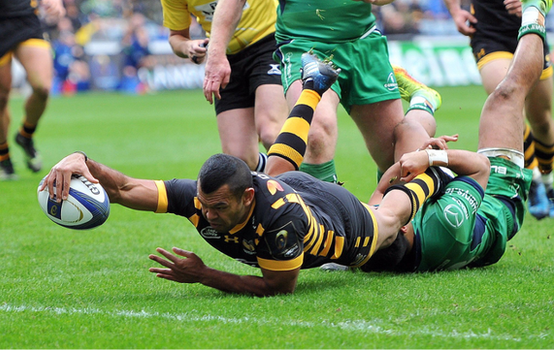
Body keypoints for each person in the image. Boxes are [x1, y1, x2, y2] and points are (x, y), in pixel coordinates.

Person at [41, 53, 448, 296]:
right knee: (277, 169)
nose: (207, 215)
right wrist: (81, 160)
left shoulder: (277, 221)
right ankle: (314, 86)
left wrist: (204, 275)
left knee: (390, 215)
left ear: (248, 197)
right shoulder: (209, 198)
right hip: (287, 188)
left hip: (347, 226)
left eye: (218, 208)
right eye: (205, 205)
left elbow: (279, 287)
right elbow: (127, 187)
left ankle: (437, 165)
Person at [359, 0, 549, 273]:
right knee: (506, 95)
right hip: (494, 198)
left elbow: (380, 193)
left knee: (405, 131)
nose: (375, 207)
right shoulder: (447, 224)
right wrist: (432, 157)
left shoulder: (381, 236)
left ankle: (423, 99)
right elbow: (478, 169)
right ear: (402, 225)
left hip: (434, 208)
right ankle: (536, 10)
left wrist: (413, 162)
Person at [203, 0, 441, 183]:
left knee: (396, 154)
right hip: (304, 45)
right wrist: (216, 53)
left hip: (363, 44)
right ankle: (327, 228)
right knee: (315, 132)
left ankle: (423, 101)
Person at [443, 0, 554, 218]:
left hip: (530, 26)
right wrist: (455, 10)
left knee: (541, 120)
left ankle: (548, 183)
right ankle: (533, 181)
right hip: (487, 31)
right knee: (506, 100)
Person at [161, 0, 288, 172]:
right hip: (223, 56)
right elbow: (176, 36)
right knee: (240, 158)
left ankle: (301, 193)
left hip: (268, 42)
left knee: (271, 133)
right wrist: (187, 46)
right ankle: (288, 170)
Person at [0, 0, 65, 180]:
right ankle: (3, 156)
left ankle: (25, 135)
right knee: (1, 96)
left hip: (26, 18)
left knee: (43, 88)